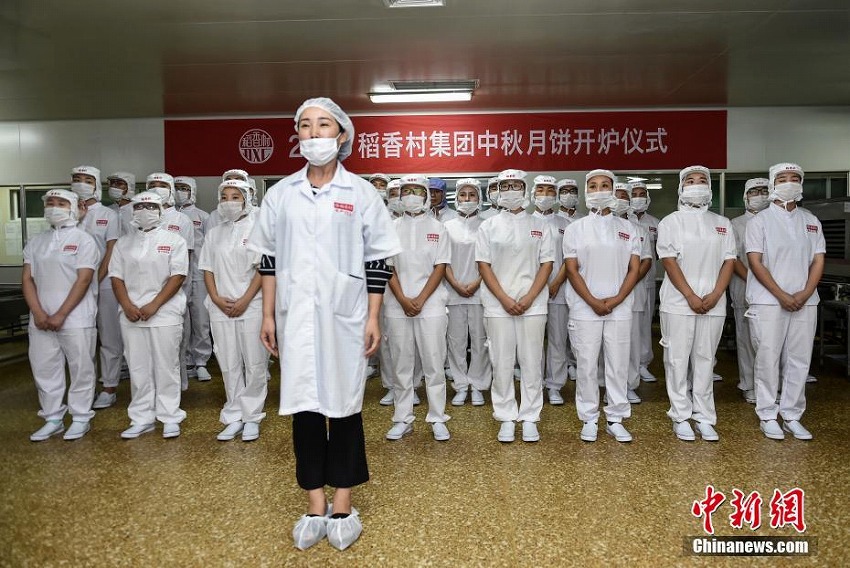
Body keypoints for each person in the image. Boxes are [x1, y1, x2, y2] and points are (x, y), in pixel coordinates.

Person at [248, 97, 401, 551]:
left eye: (324, 125)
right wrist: (267, 313)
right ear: (298, 137)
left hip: (346, 316)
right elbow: (269, 259)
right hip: (296, 317)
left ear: (342, 135)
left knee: (345, 406)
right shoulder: (281, 194)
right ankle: (314, 504)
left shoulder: (361, 194)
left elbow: (378, 259)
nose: (314, 134)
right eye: (306, 126)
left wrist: (373, 316)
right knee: (305, 409)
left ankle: (342, 504)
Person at [746, 163, 824, 440]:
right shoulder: (760, 221)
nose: (789, 182)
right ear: (772, 184)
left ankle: (792, 414)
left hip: (805, 301)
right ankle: (767, 414)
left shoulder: (811, 220)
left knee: (799, 359)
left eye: (795, 178)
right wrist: (780, 295)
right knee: (767, 358)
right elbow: (755, 262)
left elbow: (818, 260)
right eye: (782, 178)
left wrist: (804, 293)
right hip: (768, 302)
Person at [657, 166, 735, 442]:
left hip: (714, 302)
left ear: (710, 188)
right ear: (681, 188)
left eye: (703, 180)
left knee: (705, 360)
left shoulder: (722, 223)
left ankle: (704, 417)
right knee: (677, 360)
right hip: (678, 302)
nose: (697, 184)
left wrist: (715, 294)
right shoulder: (670, 222)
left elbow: (729, 261)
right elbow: (669, 261)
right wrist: (690, 295)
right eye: (690, 181)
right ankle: (680, 416)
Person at [563, 171, 642, 443]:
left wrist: (617, 299)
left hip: (619, 307)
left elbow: (634, 268)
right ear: (587, 192)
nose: (599, 190)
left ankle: (616, 417)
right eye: (593, 186)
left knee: (618, 364)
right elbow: (572, 270)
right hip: (585, 308)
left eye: (605, 186)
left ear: (613, 189)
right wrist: (593, 301)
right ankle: (588, 418)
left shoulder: (627, 228)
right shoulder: (575, 228)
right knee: (585, 365)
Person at [476, 169, 553, 443]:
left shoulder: (541, 225)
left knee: (532, 362)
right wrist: (505, 299)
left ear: (525, 189)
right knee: (502, 362)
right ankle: (506, 415)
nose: (510, 190)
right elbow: (483, 265)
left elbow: (547, 264)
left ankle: (531, 416)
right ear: (496, 190)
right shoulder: (488, 225)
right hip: (498, 305)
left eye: (516, 185)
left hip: (533, 304)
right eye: (505, 185)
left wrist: (530, 297)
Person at [109, 191, 189, 439]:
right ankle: (141, 417)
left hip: (165, 313)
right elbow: (116, 276)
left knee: (166, 366)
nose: (145, 210)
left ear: (161, 210)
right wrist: (127, 304)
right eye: (140, 206)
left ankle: (169, 416)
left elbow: (178, 276)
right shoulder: (124, 243)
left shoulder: (174, 240)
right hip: (131, 314)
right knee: (138, 367)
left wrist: (154, 305)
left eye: (151, 206)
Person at [22, 189, 99, 441]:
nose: (54, 207)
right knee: (45, 368)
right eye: (50, 203)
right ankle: (53, 417)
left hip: (76, 318)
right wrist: (38, 312)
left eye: (62, 203)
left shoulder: (84, 240)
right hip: (41, 319)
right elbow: (27, 278)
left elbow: (84, 279)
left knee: (81, 368)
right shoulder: (36, 241)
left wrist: (61, 314)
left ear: (75, 208)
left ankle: (80, 417)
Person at [199, 179, 268, 441]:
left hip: (251, 306)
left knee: (254, 362)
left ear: (247, 199)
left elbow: (263, 269)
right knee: (228, 363)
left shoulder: (258, 229)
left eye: (236, 197)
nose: (229, 202)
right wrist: (216, 298)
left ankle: (252, 417)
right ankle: (233, 414)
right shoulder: (215, 232)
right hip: (221, 308)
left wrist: (245, 300)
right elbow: (207, 268)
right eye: (225, 196)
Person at [384, 174, 452, 441]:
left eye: (416, 190)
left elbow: (440, 267)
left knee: (434, 363)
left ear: (426, 195)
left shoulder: (439, 228)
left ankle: (437, 417)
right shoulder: (390, 227)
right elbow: (388, 268)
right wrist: (402, 298)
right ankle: (403, 418)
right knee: (402, 365)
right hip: (396, 305)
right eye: (406, 191)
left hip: (432, 305)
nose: (411, 195)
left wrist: (421, 299)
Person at [70, 166, 124, 412]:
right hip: (71, 288)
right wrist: (77, 218)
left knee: (109, 337)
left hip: (103, 284)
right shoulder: (67, 213)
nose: (82, 183)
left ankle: (109, 386)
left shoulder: (108, 215)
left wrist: (94, 280)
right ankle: (84, 388)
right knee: (80, 340)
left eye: (87, 180)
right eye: (77, 179)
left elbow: (111, 249)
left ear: (96, 184)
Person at [443, 178, 491, 407]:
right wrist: (455, 284)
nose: (467, 199)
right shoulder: (447, 227)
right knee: (456, 341)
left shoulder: (487, 225)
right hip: (453, 292)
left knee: (481, 340)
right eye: (463, 195)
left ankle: (479, 385)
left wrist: (476, 283)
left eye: (472, 195)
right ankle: (461, 385)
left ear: (479, 198)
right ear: (456, 198)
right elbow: (442, 261)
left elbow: (491, 261)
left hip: (481, 291)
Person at [146, 173, 195, 390]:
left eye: (162, 185)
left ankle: (179, 382)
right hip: (144, 293)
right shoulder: (138, 220)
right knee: (148, 350)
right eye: (153, 185)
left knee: (176, 342)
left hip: (175, 289)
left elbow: (187, 258)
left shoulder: (181, 220)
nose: (157, 189)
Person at [530, 175, 571, 405]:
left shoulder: (566, 225)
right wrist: (537, 287)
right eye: (540, 190)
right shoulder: (527, 221)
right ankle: (534, 383)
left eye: (549, 191)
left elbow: (570, 259)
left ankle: (554, 385)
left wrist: (555, 282)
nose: (545, 195)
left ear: (556, 195)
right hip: (532, 292)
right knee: (534, 341)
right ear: (532, 194)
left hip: (559, 289)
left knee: (557, 340)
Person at [729, 178, 770, 404]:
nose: (760, 195)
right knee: (746, 340)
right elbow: (733, 259)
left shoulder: (774, 222)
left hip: (776, 293)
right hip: (745, 288)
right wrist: (757, 280)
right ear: (745, 196)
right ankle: (749, 383)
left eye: (765, 191)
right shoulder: (736, 224)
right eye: (755, 191)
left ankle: (773, 385)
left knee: (770, 342)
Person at [614, 183, 653, 404]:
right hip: (603, 296)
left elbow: (646, 261)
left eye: (624, 197)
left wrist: (627, 285)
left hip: (633, 293)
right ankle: (605, 383)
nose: (620, 201)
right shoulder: (592, 227)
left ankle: (629, 385)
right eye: (616, 196)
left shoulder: (638, 231)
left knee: (631, 343)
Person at [175, 176, 213, 381]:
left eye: (184, 188)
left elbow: (210, 245)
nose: (180, 191)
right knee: (182, 319)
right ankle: (186, 359)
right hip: (176, 275)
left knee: (200, 319)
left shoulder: (203, 216)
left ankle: (201, 361)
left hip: (198, 272)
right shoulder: (167, 216)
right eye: (177, 188)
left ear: (193, 191)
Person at [630, 181, 661, 382]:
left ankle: (642, 364)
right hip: (620, 284)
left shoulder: (655, 223)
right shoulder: (619, 220)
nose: (638, 198)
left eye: (642, 194)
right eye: (634, 194)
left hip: (646, 281)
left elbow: (656, 253)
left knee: (643, 326)